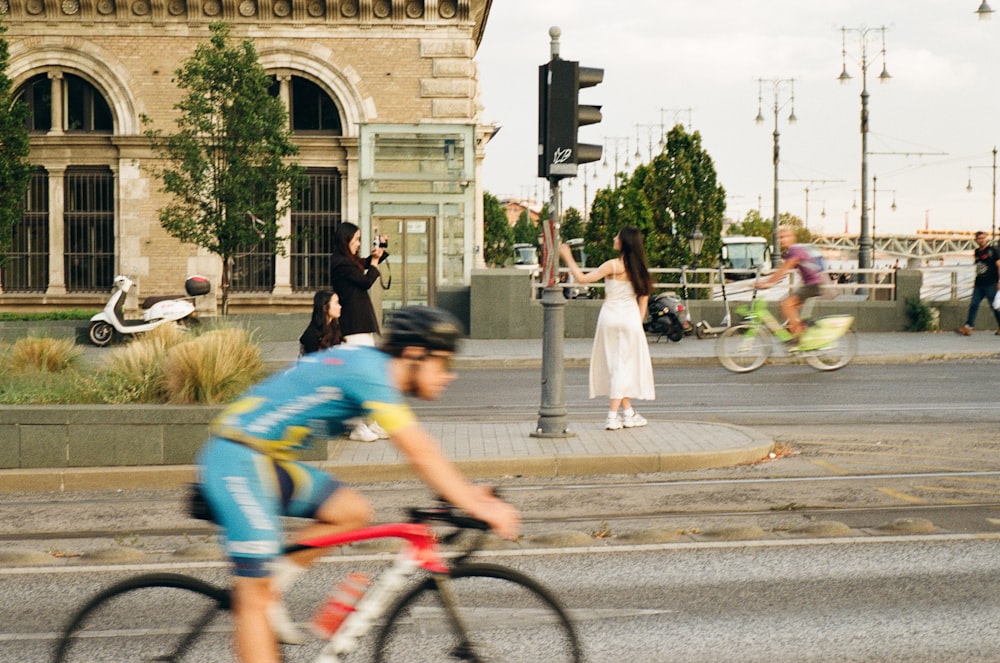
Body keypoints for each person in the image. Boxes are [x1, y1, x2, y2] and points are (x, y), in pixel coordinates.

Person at [196, 306, 521, 663]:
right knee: (251, 600)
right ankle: (260, 597)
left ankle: (272, 586)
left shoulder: (373, 367)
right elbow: (421, 452)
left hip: (265, 462)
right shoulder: (370, 373)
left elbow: (426, 454)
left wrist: (468, 493)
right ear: (414, 355)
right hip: (236, 459)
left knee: (352, 511)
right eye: (443, 363)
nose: (449, 376)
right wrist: (480, 506)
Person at [559, 226, 655, 431]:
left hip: (610, 317)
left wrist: (568, 256)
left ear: (624, 242)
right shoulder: (639, 269)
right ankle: (627, 414)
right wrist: (637, 322)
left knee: (616, 366)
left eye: (617, 236)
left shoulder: (612, 265)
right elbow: (643, 298)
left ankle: (613, 416)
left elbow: (583, 279)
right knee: (623, 366)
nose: (614, 237)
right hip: (630, 318)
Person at [330, 221, 389, 441]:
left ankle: (369, 422)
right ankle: (356, 426)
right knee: (358, 376)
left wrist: (378, 255)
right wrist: (373, 263)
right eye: (355, 240)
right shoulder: (340, 263)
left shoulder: (348, 261)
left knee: (368, 375)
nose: (358, 244)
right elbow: (364, 281)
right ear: (345, 240)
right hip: (352, 327)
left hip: (360, 326)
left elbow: (363, 263)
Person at [755, 226, 831, 337]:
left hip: (813, 284)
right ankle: (798, 335)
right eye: (780, 237)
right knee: (791, 313)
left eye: (785, 237)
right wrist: (765, 281)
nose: (782, 240)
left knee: (786, 305)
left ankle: (798, 337)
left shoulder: (795, 250)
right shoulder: (792, 251)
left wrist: (768, 283)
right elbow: (780, 270)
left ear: (793, 237)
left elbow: (784, 269)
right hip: (811, 284)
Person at [956, 230, 1000, 336]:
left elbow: (999, 265)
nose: (981, 240)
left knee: (995, 306)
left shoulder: (993, 250)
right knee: (973, 304)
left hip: (991, 283)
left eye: (983, 238)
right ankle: (968, 327)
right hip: (979, 284)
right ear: (976, 240)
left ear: (986, 238)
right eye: (979, 238)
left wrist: (999, 281)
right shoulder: (977, 252)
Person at [298, 290, 342, 355]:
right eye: (336, 303)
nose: (340, 307)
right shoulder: (312, 335)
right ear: (325, 307)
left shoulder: (336, 329)